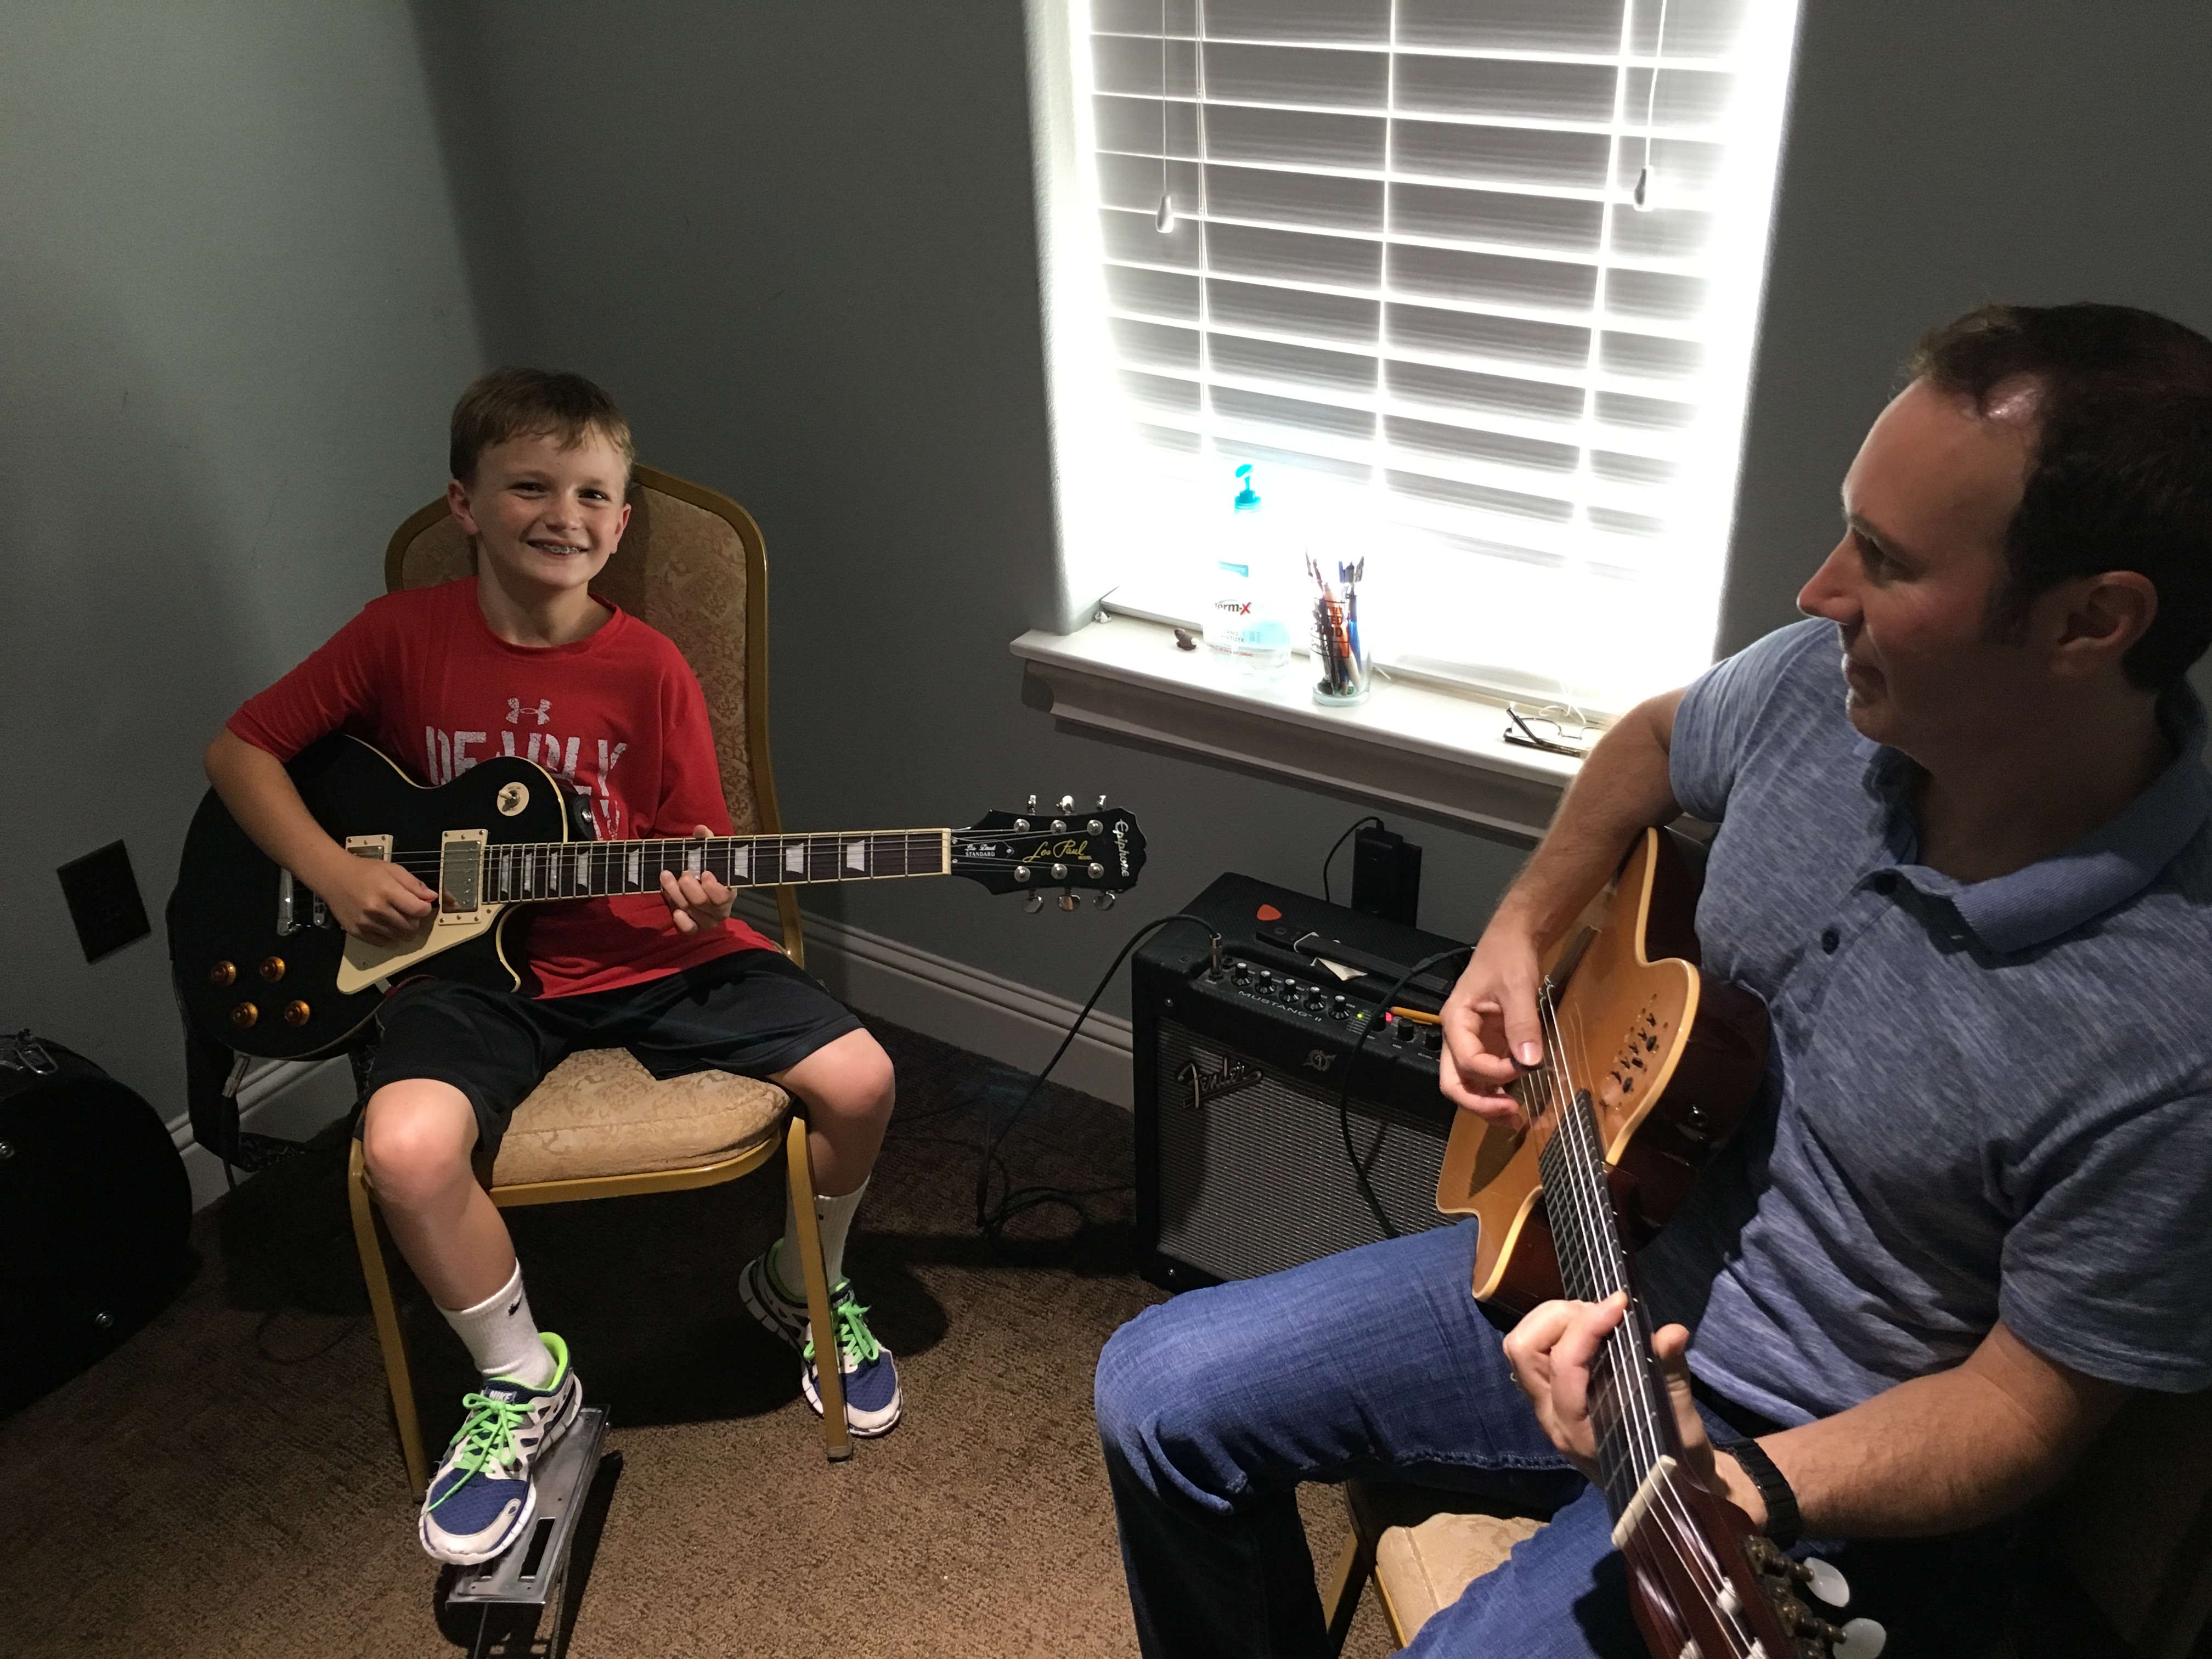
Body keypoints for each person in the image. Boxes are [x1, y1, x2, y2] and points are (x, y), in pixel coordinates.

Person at [1094, 302, 2212, 1657]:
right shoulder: (1824, 689)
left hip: (1814, 1441)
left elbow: (2030, 1411)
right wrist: (1518, 932)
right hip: (1602, 1251)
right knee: (1159, 1388)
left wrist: (1752, 1484)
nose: (1819, 592)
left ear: (2092, 621)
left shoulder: (2174, 1024)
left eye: (1887, 559)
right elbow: (1648, 745)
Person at [205, 369, 902, 1567]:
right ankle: (525, 1381)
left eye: (592, 493)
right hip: (467, 975)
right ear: (466, 503)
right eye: (529, 484)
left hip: (645, 954)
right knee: (404, 1150)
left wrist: (698, 888)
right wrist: (329, 872)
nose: (563, 513)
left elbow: (690, 840)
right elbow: (242, 750)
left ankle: (799, 1278)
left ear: (622, 521)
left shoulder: (650, 669)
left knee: (864, 1078)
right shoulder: (398, 639)